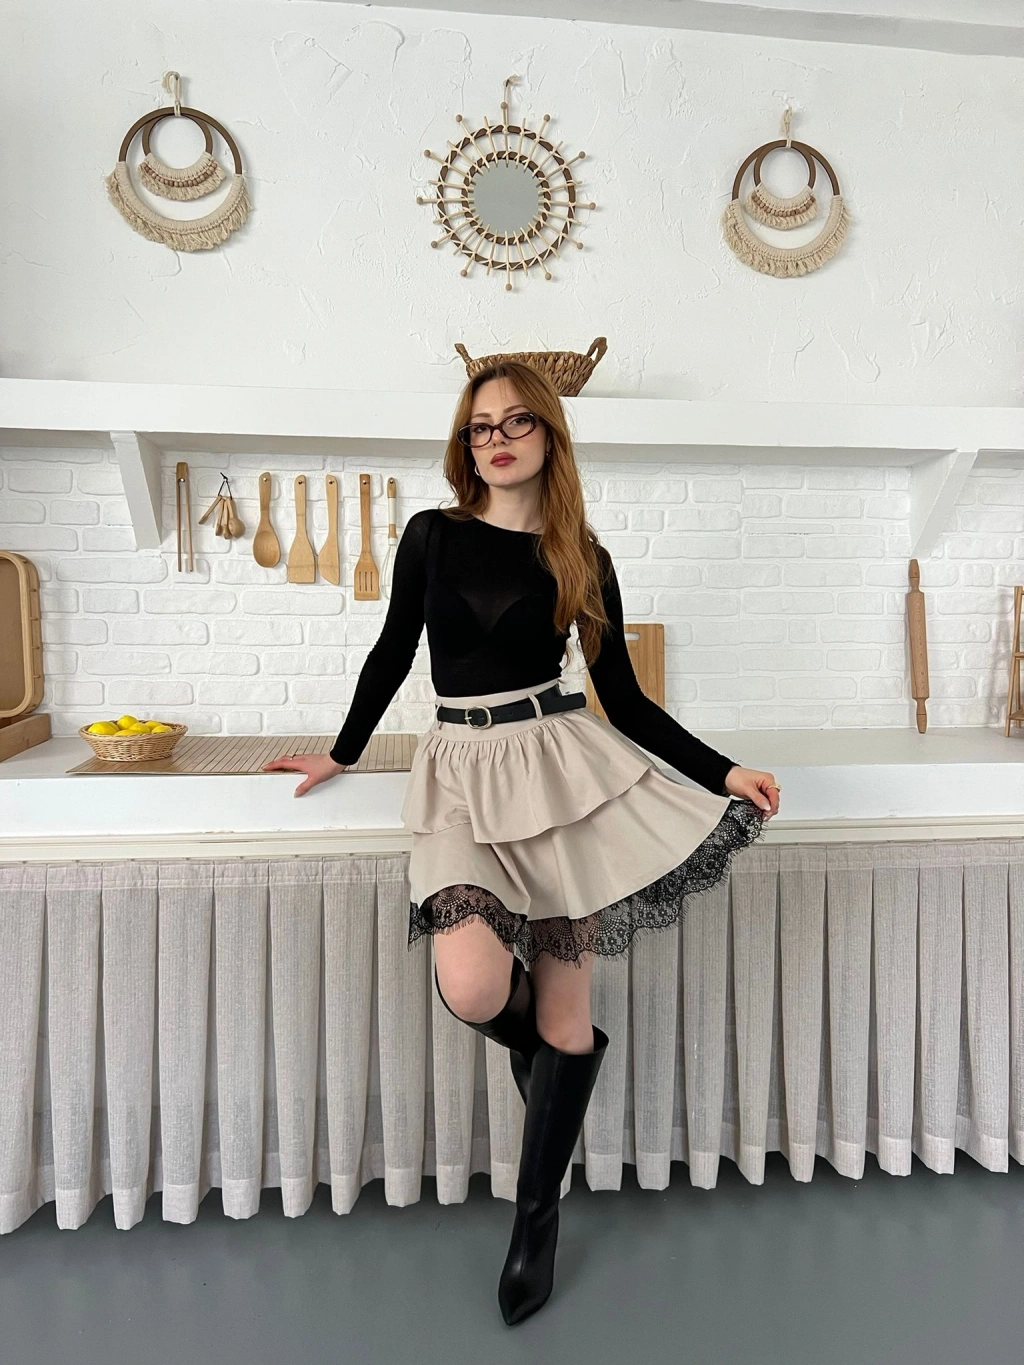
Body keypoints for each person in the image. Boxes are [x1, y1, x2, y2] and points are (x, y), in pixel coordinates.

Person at [264, 359, 780, 1326]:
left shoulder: (581, 554)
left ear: (549, 432)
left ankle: (535, 1220)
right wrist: (342, 751)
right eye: (479, 427)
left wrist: (723, 771)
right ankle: (559, 1060)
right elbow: (392, 651)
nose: (494, 439)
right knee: (472, 984)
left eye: (514, 422)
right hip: (457, 774)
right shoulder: (433, 535)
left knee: (567, 1008)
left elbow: (624, 699)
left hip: (557, 772)